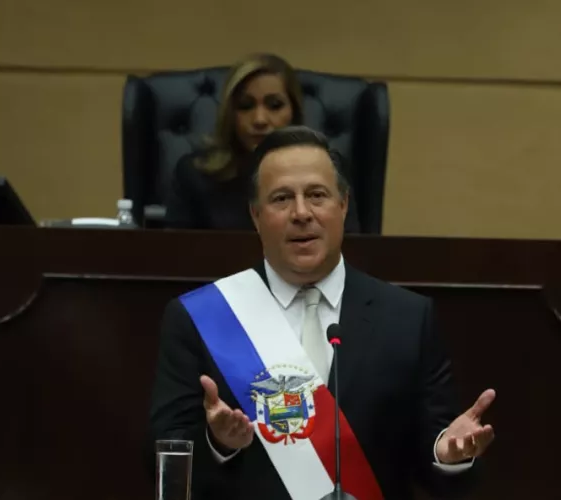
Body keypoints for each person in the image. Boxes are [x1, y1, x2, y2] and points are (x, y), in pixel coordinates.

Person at [149, 126, 495, 499]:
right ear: (255, 214)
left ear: (343, 205)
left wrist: (449, 456)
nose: (301, 213)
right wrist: (218, 443)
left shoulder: (408, 318)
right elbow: (162, 460)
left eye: (317, 195)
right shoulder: (202, 317)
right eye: (282, 198)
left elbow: (438, 460)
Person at [164, 53, 362, 233]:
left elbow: (352, 249)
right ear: (230, 115)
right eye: (245, 106)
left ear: (294, 112)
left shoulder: (330, 170)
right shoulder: (194, 175)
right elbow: (176, 254)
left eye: (274, 105)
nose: (259, 119)